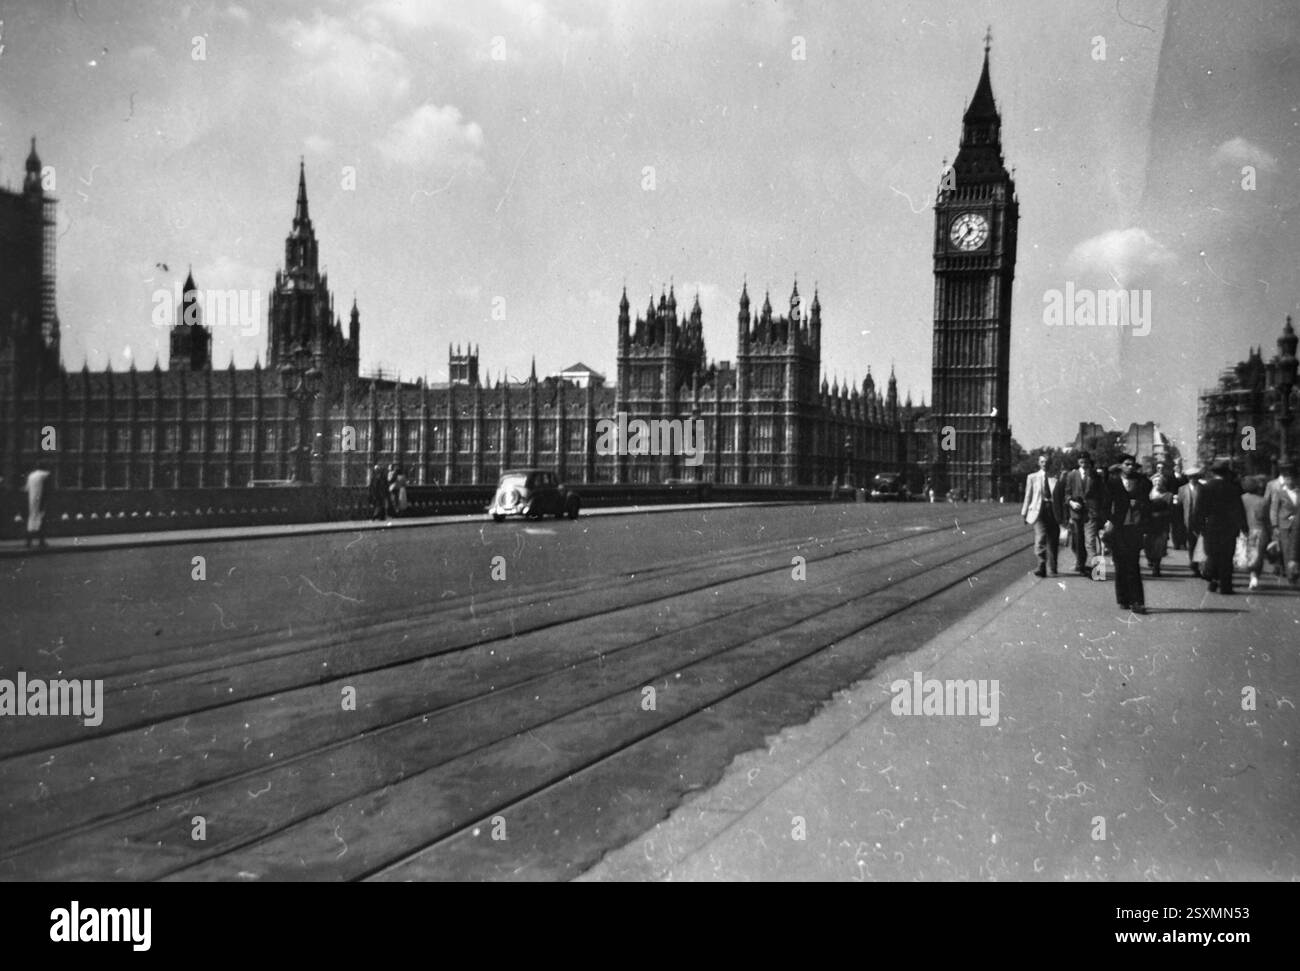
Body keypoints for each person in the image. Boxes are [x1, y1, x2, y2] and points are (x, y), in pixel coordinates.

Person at [1103, 454, 1151, 613]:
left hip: (1134, 528)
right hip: (1118, 527)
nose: (1130, 467)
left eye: (1132, 464)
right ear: (1120, 466)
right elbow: (1105, 502)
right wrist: (1106, 521)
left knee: (1133, 564)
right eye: (1127, 464)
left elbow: (1148, 496)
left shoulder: (1141, 482)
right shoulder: (1113, 482)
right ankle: (1123, 598)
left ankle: (1137, 601)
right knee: (1120, 565)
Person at [1193, 461, 1248, 595]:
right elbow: (1239, 509)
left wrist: (1197, 526)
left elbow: (1199, 509)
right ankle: (1225, 586)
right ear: (1226, 473)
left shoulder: (1206, 488)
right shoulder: (1234, 488)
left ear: (1213, 473)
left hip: (1211, 526)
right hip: (1229, 527)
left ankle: (1212, 579)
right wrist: (1243, 527)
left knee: (1212, 554)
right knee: (1227, 557)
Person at [1020, 453, 1065, 577]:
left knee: (1053, 539)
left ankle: (1053, 566)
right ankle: (1041, 566)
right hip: (1038, 511)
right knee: (1040, 538)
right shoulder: (1032, 477)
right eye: (1042, 462)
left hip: (1053, 511)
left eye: (1047, 462)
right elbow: (1028, 495)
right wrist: (1024, 513)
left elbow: (1060, 498)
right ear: (1039, 463)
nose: (1045, 464)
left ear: (1050, 464)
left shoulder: (1056, 478)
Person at [1063, 450, 1107, 576]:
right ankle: (1081, 565)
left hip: (1091, 513)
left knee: (1090, 541)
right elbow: (1067, 494)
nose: (1083, 463)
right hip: (1076, 513)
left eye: (1086, 461)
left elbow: (1102, 494)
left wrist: (1100, 511)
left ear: (1089, 461)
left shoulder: (1095, 476)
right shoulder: (1072, 475)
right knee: (1078, 540)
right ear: (1078, 462)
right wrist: (1071, 502)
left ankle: (1096, 570)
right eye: (1081, 461)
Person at [1269, 461, 1299, 587]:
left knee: (1297, 549)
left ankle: (1295, 570)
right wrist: (1275, 525)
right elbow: (1274, 509)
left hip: (1298, 524)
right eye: (1287, 479)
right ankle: (1291, 576)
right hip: (1284, 525)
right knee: (1287, 550)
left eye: (1291, 478)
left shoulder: (1298, 491)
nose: (1289, 481)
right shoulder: (1279, 493)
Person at [1144, 459, 1176, 577]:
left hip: (1162, 524)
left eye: (1160, 481)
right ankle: (1150, 559)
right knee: (1148, 544)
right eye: (1155, 481)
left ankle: (1156, 566)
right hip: (1149, 523)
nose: (1157, 483)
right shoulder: (1148, 494)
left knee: (1159, 546)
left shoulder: (1168, 495)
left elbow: (1172, 511)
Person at [1241, 475, 1270, 591]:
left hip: (1244, 530)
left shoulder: (1241, 499)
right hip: (1259, 530)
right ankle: (1254, 578)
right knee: (1258, 556)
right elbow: (1266, 518)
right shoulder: (1263, 501)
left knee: (1245, 555)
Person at [1177, 467, 1204, 577]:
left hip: (1200, 521)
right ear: (1188, 478)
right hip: (1187, 521)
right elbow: (1179, 506)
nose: (1193, 479)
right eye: (1191, 477)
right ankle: (1193, 565)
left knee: (1200, 544)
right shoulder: (1182, 489)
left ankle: (1198, 565)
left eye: (1195, 477)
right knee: (1191, 544)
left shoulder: (1203, 489)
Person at [23, 464, 52, 549]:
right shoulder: (45, 475)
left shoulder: (31, 475)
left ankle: (29, 541)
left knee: (32, 519)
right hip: (41, 500)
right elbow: (48, 489)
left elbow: (26, 489)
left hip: (31, 500)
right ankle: (41, 541)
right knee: (42, 520)